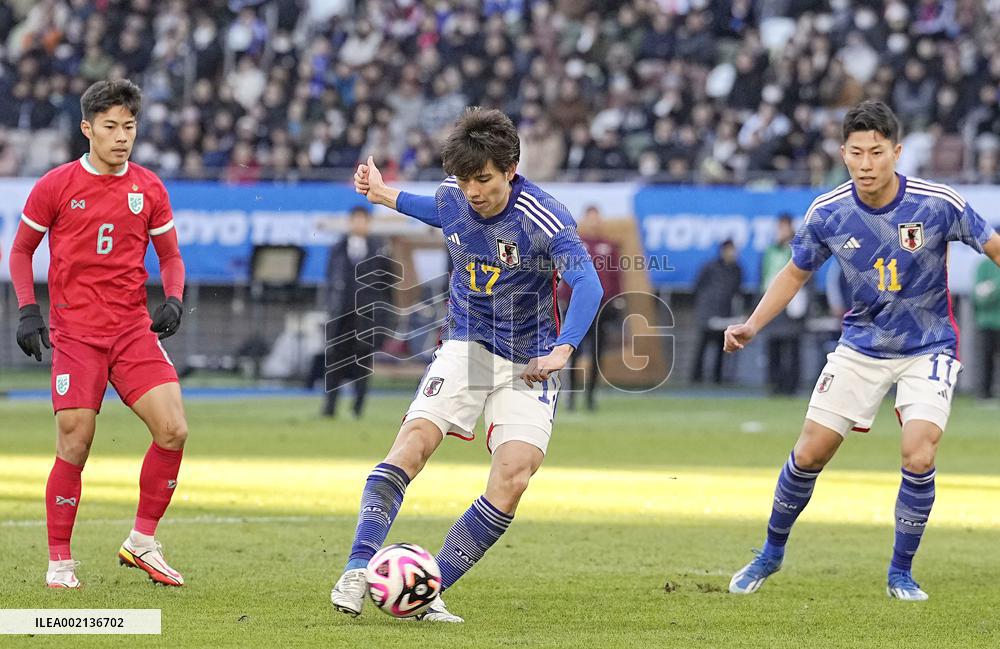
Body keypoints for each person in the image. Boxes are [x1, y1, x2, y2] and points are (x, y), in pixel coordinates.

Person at [330, 108, 602, 622]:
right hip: (466, 344)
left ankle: (425, 588)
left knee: (514, 477)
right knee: (412, 443)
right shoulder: (454, 197)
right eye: (463, 180)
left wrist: (564, 349)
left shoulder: (543, 216)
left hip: (530, 359)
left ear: (511, 170)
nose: (473, 192)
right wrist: (383, 194)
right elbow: (431, 208)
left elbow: (587, 283)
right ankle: (357, 566)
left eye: (483, 179)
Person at [723, 100, 1000, 601]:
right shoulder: (828, 212)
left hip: (928, 346)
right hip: (861, 346)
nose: (866, 163)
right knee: (809, 452)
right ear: (842, 154)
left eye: (876, 152)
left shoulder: (937, 203)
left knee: (919, 452)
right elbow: (794, 273)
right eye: (856, 153)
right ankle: (769, 553)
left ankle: (900, 573)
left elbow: (993, 245)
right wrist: (753, 324)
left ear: (896, 152)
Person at [8, 79, 189, 589]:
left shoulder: (149, 188)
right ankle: (60, 563)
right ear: (87, 129)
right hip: (76, 334)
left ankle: (142, 542)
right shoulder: (56, 185)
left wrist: (174, 298)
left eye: (129, 126)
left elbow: (170, 256)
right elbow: (21, 251)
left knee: (173, 429)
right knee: (76, 440)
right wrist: (28, 311)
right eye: (111, 127)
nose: (122, 137)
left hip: (132, 330)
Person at [316, 205, 394, 418]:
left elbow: (388, 287)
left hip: (366, 317)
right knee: (334, 361)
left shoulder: (380, 249)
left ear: (368, 223)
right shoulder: (337, 248)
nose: (359, 224)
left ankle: (357, 409)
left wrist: (384, 318)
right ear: (350, 222)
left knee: (363, 363)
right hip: (341, 315)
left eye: (363, 220)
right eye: (356, 220)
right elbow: (330, 281)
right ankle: (329, 408)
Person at [561, 205, 622, 410]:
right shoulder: (575, 245)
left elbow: (615, 277)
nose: (594, 222)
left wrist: (617, 300)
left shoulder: (609, 246)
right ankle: (571, 397)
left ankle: (591, 396)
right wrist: (564, 298)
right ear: (584, 220)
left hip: (600, 308)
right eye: (591, 218)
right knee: (572, 350)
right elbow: (567, 273)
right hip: (577, 306)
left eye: (597, 218)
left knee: (597, 352)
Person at [760, 214, 808, 394]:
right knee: (773, 345)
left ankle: (792, 384)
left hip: (793, 303)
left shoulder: (798, 248)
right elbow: (763, 276)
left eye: (784, 227)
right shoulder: (770, 251)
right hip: (772, 302)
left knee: (792, 346)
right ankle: (774, 383)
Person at [690, 239, 742, 385]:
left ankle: (717, 377)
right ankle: (696, 377)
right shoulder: (710, 267)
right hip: (708, 313)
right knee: (703, 344)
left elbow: (737, 291)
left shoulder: (737, 270)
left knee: (722, 346)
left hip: (725, 313)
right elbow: (698, 287)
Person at [972, 256, 1000, 398]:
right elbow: (977, 296)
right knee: (985, 358)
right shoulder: (985, 265)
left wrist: (992, 288)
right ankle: (984, 393)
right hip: (987, 321)